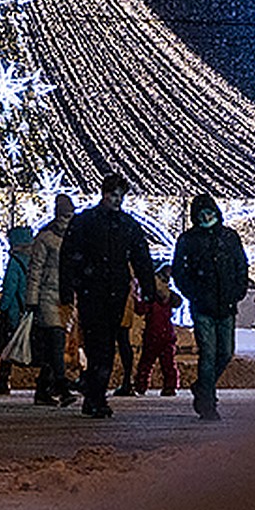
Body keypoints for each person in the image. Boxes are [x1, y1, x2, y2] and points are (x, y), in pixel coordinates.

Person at [59, 172, 156, 419]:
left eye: (120, 195)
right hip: (95, 290)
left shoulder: (121, 224)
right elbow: (69, 256)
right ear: (104, 194)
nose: (117, 200)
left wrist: (149, 287)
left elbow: (141, 257)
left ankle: (95, 394)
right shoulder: (92, 222)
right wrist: (68, 287)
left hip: (109, 290)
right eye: (113, 195)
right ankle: (96, 395)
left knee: (104, 345)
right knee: (97, 345)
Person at [172, 192, 248, 422]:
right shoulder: (189, 240)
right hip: (203, 306)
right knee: (208, 354)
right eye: (201, 214)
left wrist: (237, 291)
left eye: (209, 212)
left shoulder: (228, 237)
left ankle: (203, 387)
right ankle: (207, 404)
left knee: (225, 352)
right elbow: (180, 272)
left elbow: (240, 265)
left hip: (226, 304)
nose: (206, 217)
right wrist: (194, 293)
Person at [26, 194, 77, 407]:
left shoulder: (74, 238)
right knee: (56, 342)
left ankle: (42, 389)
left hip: (64, 297)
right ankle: (62, 387)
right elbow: (35, 270)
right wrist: (32, 299)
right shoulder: (46, 238)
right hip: (48, 296)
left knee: (53, 347)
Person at [0, 225, 33, 395]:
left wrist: (1, 309)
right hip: (30, 310)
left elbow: (10, 288)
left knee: (8, 347)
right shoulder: (35, 260)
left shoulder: (15, 262)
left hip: (16, 311)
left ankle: (3, 380)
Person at [133, 265, 181, 396]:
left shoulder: (151, 299)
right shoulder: (169, 298)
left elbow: (140, 310)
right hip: (167, 334)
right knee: (168, 363)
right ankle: (170, 386)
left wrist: (135, 297)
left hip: (152, 334)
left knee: (146, 362)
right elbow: (178, 302)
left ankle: (141, 385)